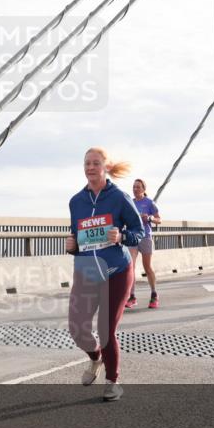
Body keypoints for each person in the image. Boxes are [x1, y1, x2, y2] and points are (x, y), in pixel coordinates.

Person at [66, 147, 144, 402]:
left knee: (106, 328)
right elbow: (77, 237)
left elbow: (138, 231)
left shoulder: (120, 198)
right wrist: (72, 246)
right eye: (87, 163)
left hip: (116, 271)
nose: (90, 167)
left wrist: (122, 236)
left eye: (95, 163)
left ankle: (113, 381)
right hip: (87, 270)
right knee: (77, 328)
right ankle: (95, 358)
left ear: (105, 167)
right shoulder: (76, 201)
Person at [127, 179, 161, 309]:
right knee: (131, 267)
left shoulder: (149, 203)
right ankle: (132, 297)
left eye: (138, 187)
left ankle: (154, 294)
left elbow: (159, 219)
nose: (135, 189)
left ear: (143, 189)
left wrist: (150, 218)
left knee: (147, 267)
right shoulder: (130, 202)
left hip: (146, 236)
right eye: (134, 187)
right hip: (133, 236)